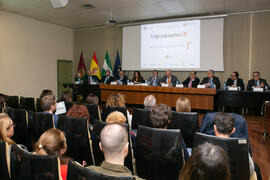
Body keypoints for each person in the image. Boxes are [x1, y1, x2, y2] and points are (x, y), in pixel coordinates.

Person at [213, 113, 256, 177]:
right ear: (233, 130)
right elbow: (250, 171)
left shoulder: (204, 148)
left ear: (214, 128)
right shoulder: (243, 153)